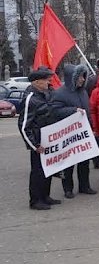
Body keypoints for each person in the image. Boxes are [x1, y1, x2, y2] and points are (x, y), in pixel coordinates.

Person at [19, 67, 63, 210]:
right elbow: (24, 126)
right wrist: (34, 145)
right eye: (46, 80)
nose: (49, 82)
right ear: (37, 82)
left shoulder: (46, 94)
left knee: (47, 169)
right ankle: (36, 200)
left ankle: (45, 196)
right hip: (38, 142)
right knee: (37, 171)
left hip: (48, 138)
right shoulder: (30, 99)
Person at [51, 64, 97, 199]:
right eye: (80, 77)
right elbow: (55, 111)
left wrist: (91, 128)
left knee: (84, 162)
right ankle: (68, 189)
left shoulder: (83, 92)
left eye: (84, 76)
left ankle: (84, 186)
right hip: (69, 134)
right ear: (72, 77)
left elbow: (87, 112)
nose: (83, 79)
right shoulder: (59, 93)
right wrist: (72, 110)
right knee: (69, 163)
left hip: (83, 133)